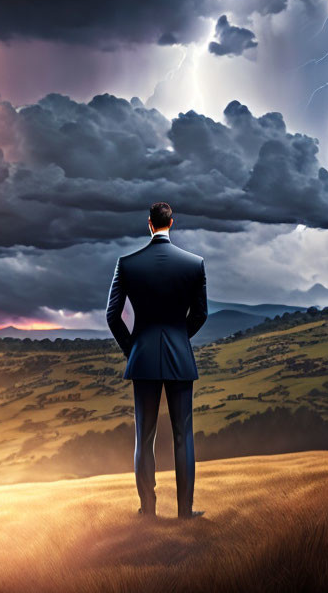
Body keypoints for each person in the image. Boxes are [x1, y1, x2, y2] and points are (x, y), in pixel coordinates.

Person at [106, 202, 208, 518]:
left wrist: (132, 348)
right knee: (184, 436)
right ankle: (185, 511)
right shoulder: (194, 263)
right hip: (180, 359)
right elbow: (201, 314)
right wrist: (179, 338)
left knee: (144, 437)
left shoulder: (127, 263)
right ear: (170, 223)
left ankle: (147, 511)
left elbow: (112, 316)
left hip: (143, 360)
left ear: (149, 224)